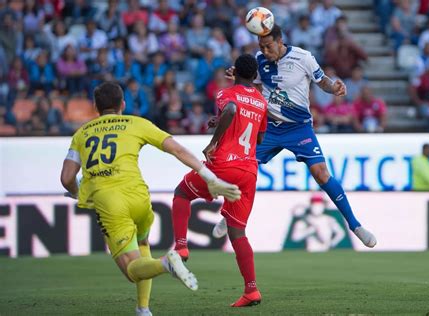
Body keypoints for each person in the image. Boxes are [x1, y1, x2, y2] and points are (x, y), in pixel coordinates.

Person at [60, 82, 241, 316]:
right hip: (140, 198)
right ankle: (143, 308)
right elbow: (177, 149)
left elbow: (66, 178)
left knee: (132, 270)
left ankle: (165, 263)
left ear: (95, 107)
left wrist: (78, 193)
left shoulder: (81, 133)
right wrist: (208, 176)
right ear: (122, 104)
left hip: (110, 203)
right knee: (143, 245)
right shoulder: (136, 123)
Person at [214, 24, 376, 248]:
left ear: (280, 42)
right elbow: (254, 89)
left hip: (298, 128)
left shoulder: (303, 58)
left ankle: (355, 224)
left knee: (321, 173)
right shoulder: (260, 60)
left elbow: (322, 82)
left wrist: (335, 87)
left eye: (268, 46)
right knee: (242, 168)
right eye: (261, 46)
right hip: (268, 126)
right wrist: (239, 77)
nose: (265, 51)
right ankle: (228, 215)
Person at [170, 54, 267, 307]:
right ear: (255, 74)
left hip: (224, 164)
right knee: (238, 233)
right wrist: (223, 122)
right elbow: (257, 138)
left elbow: (233, 110)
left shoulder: (226, 94)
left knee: (182, 193)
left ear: (236, 72)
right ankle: (251, 290)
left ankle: (181, 246)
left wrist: (214, 142)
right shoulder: (260, 100)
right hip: (248, 172)